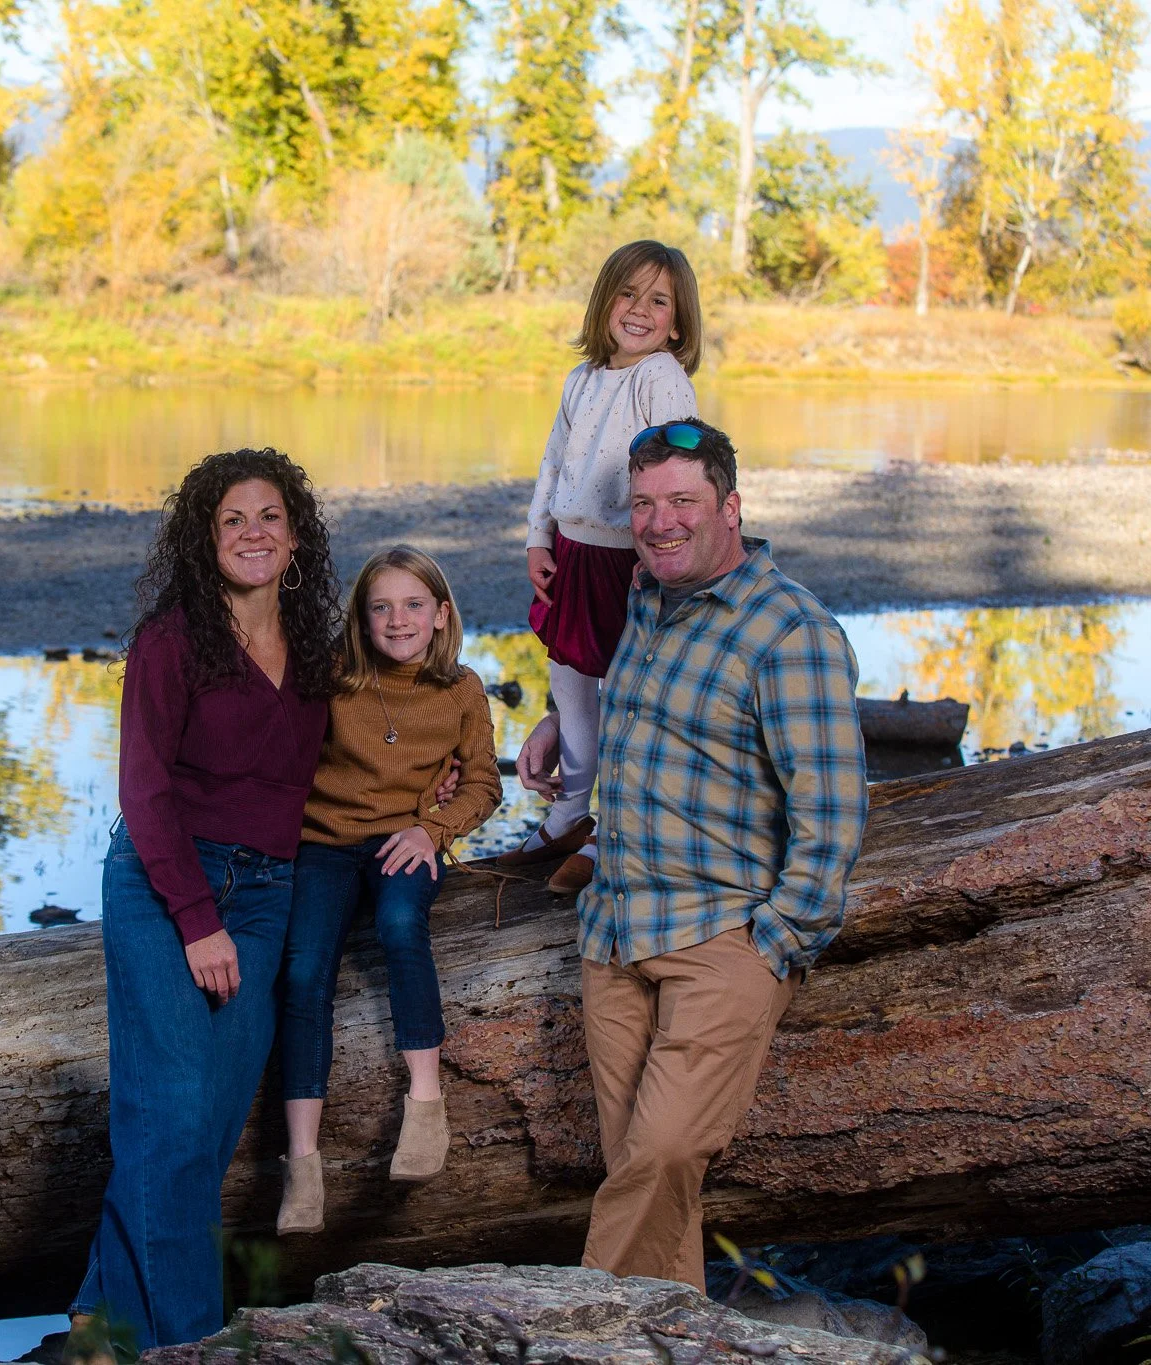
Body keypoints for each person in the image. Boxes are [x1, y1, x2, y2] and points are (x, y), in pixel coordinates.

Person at [515, 418, 867, 1292]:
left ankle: (577, 1338)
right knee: (648, 1178)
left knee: (663, 1152)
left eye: (682, 501)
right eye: (643, 504)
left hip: (722, 938)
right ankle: (674, 1339)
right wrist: (566, 717)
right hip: (616, 934)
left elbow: (831, 817)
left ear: (731, 506)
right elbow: (625, 705)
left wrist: (772, 946)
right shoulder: (648, 594)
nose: (659, 520)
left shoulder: (792, 633)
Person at [71, 448, 340, 1351]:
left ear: (295, 536)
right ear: (206, 537)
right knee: (173, 1115)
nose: (253, 533)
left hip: (266, 893)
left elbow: (350, 759)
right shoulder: (173, 640)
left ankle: (95, 1313)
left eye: (269, 516)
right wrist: (195, 920)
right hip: (165, 882)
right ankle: (187, 1341)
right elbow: (143, 791)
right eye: (233, 519)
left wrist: (439, 792)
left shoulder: (312, 650)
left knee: (208, 1124)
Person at [275, 546, 503, 1234]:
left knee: (403, 925)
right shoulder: (335, 679)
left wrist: (434, 828)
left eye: (412, 605)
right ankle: (302, 1162)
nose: (396, 619)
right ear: (362, 618)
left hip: (407, 838)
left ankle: (426, 1106)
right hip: (325, 843)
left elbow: (486, 782)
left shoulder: (461, 690)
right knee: (304, 970)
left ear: (440, 614)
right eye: (381, 607)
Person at [500, 240, 704, 896]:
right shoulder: (582, 379)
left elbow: (675, 472)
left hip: (633, 558)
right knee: (573, 688)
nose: (640, 310)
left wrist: (664, 550)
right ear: (604, 300)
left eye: (658, 300)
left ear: (676, 321)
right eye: (628, 293)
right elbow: (554, 463)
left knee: (628, 693)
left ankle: (615, 826)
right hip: (574, 552)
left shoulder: (660, 377)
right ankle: (568, 810)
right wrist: (539, 537)